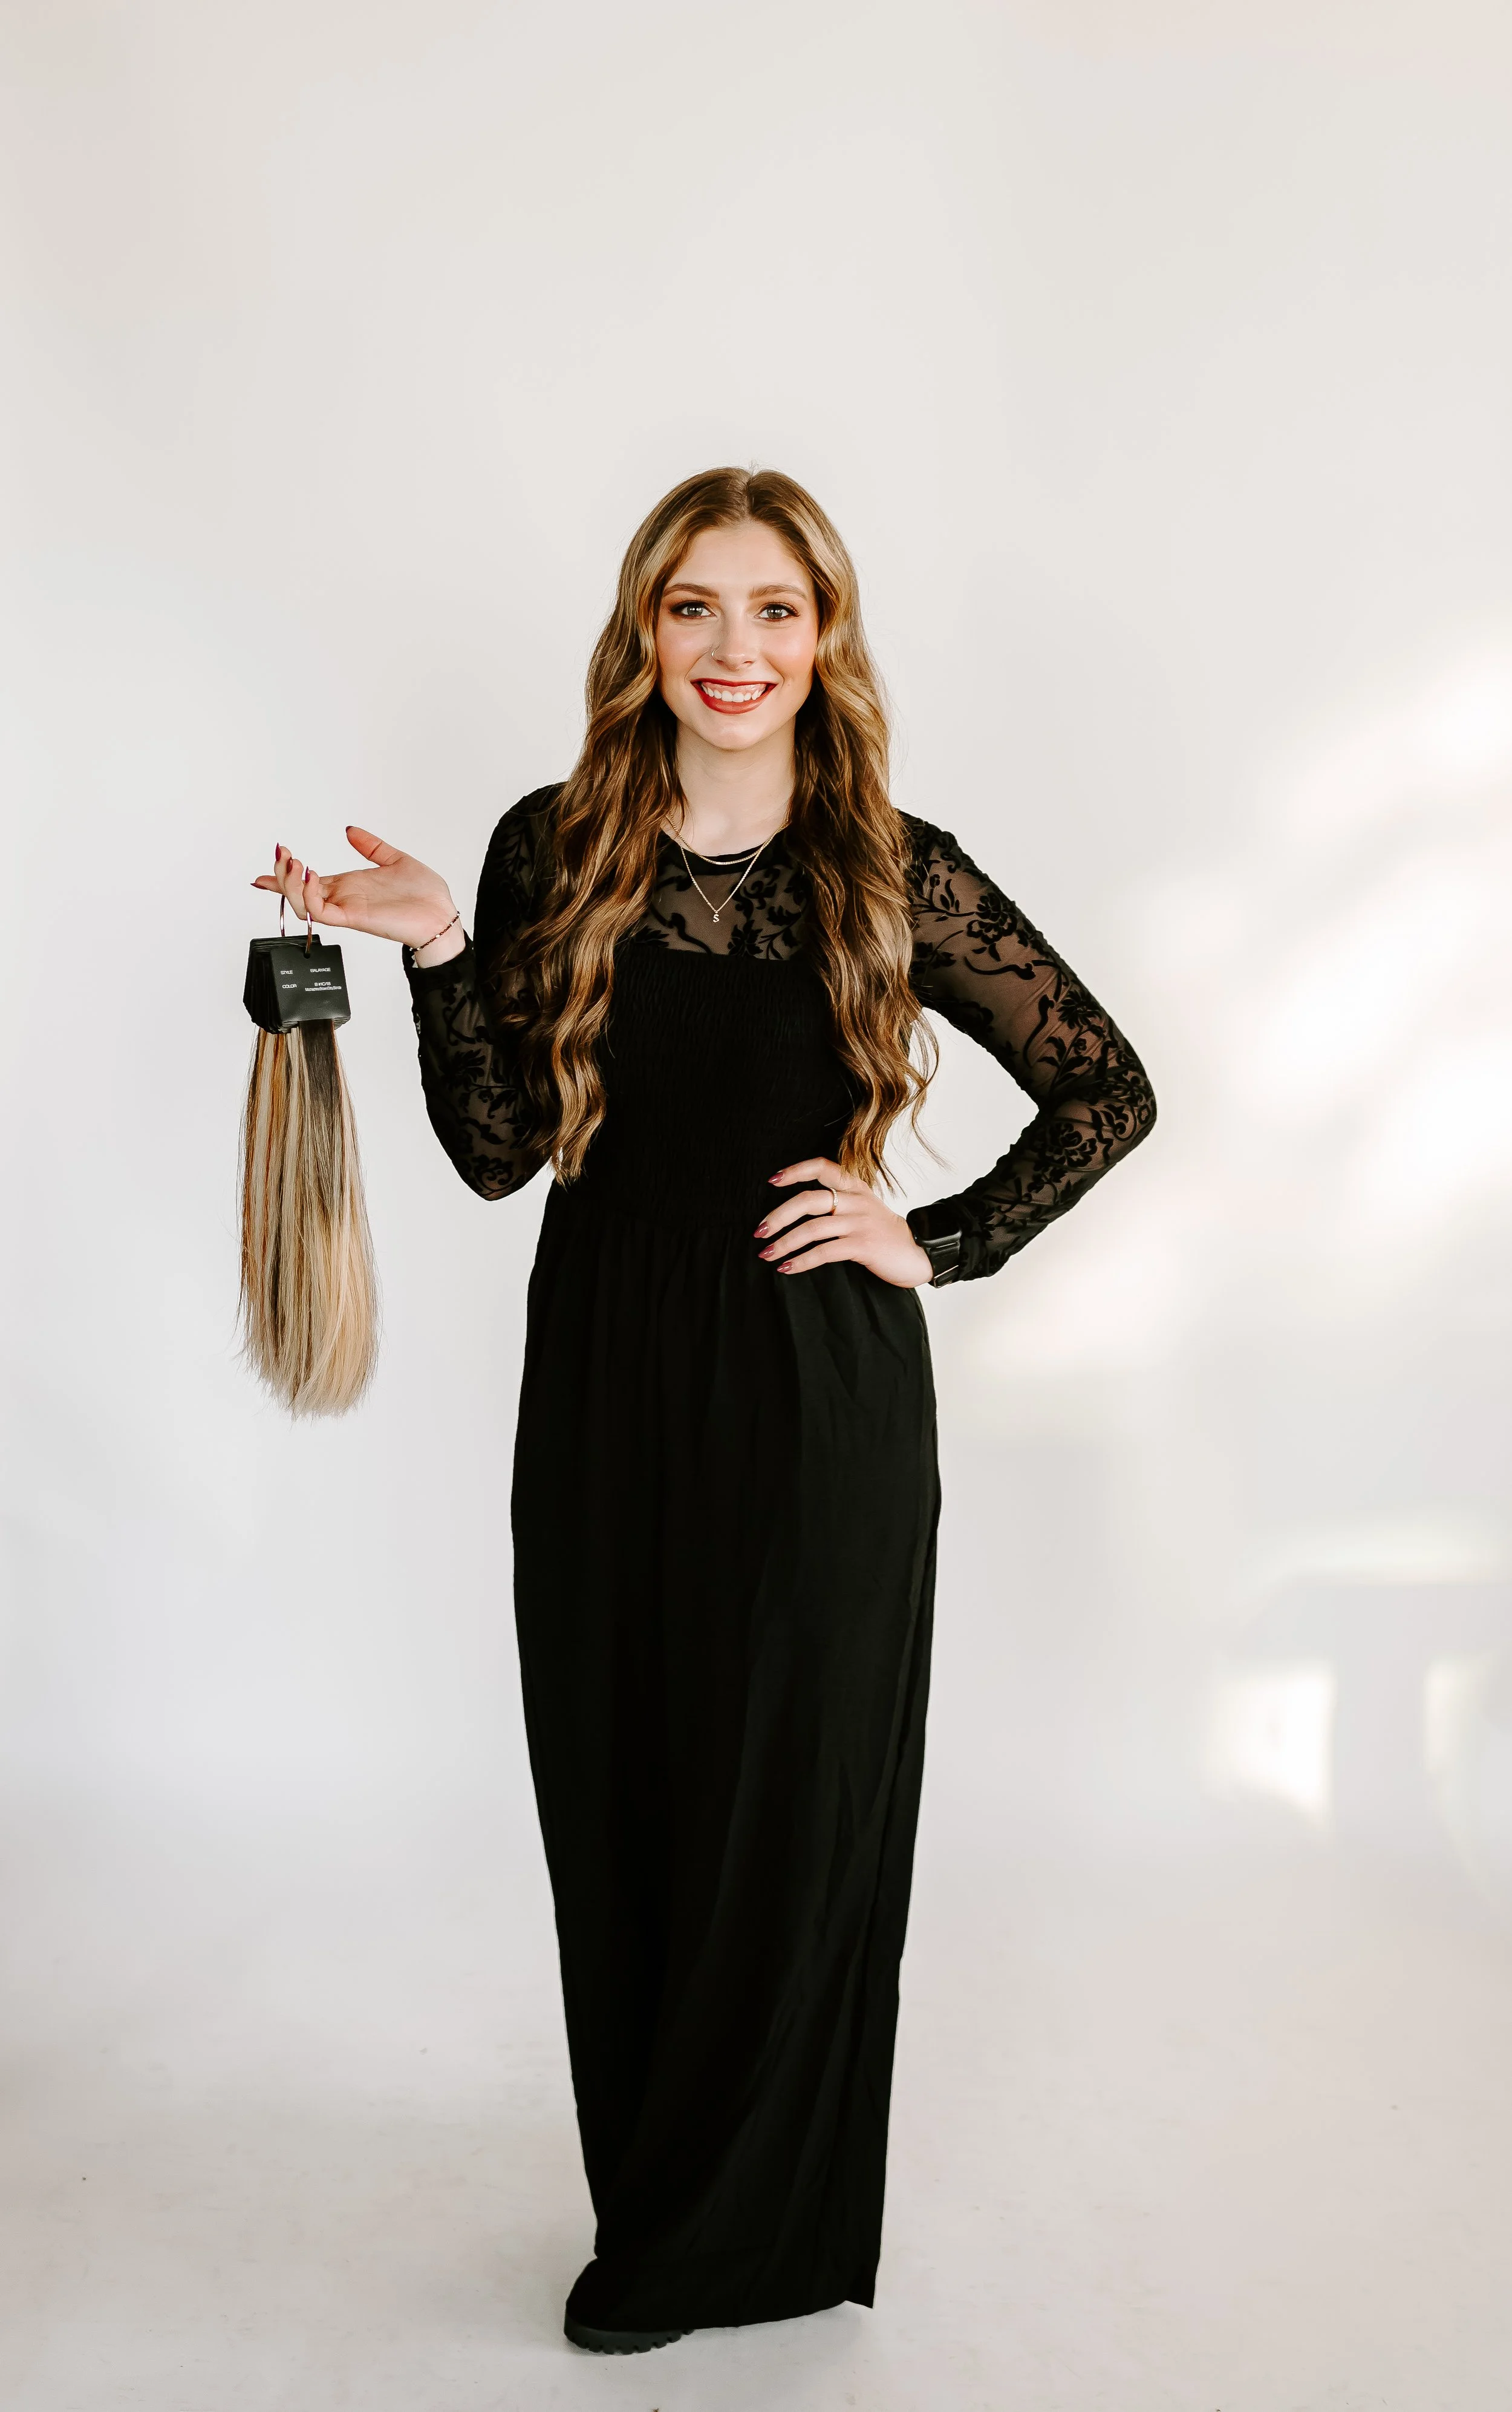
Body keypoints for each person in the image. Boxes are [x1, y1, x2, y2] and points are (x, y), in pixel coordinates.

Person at [252, 465, 1156, 2355]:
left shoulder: (893, 868)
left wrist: (935, 1239)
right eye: (692, 609)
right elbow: (500, 1156)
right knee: (626, 1787)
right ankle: (662, 2207)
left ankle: (752, 2237)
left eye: (770, 609)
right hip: (599, 1373)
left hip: (814, 1390)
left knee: (790, 1803)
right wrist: (432, 954)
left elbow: (1105, 1091)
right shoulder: (548, 846)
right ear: (641, 635)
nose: (731, 649)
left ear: (823, 638)